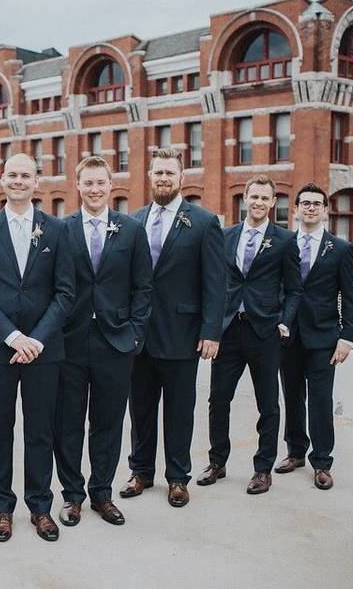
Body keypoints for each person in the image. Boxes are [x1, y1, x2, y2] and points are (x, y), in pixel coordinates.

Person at [0, 153, 74, 543]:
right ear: (2, 179)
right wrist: (12, 336)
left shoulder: (56, 229)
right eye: (12, 174)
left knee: (41, 430)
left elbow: (65, 292)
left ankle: (40, 507)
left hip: (44, 350)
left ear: (36, 182)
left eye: (25, 175)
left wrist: (36, 340)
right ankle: (2, 508)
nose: (18, 181)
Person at [121, 148, 226, 508]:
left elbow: (216, 282)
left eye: (169, 173)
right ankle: (141, 472)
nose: (163, 178)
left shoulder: (203, 222)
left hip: (183, 334)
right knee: (141, 409)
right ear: (149, 177)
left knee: (180, 411)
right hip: (138, 336)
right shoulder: (133, 221)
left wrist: (211, 331)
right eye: (157, 173)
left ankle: (178, 478)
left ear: (182, 178)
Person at [54, 156, 152, 527]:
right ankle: (73, 496)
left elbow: (144, 287)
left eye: (101, 183)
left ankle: (102, 493)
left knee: (108, 421)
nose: (94, 189)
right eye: (88, 183)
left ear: (112, 186)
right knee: (68, 422)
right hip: (70, 341)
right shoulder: (62, 230)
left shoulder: (131, 229)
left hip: (116, 342)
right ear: (77, 186)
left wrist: (134, 334)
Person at [198, 174, 301, 495]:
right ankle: (217, 461)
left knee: (268, 404)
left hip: (264, 332)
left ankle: (262, 470)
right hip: (228, 331)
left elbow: (295, 289)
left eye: (264, 198)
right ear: (245, 199)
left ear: (273, 203)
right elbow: (213, 283)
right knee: (218, 400)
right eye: (253, 196)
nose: (258, 202)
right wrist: (210, 326)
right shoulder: (226, 235)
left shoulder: (285, 240)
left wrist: (284, 320)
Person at [276, 183, 353, 490]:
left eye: (316, 204)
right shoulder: (283, 244)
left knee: (321, 401)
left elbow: (351, 297)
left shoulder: (340, 248)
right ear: (296, 209)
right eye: (305, 203)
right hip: (289, 335)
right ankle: (295, 451)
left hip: (324, 337)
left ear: (325, 210)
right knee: (292, 396)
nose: (310, 208)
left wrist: (346, 337)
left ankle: (322, 461)